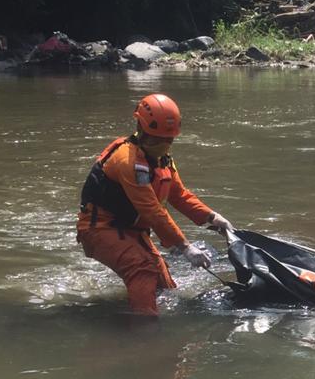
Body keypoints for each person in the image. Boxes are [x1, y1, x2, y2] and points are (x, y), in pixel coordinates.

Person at [77, 93, 235, 316]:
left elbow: (179, 195)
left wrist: (211, 217)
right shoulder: (128, 161)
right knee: (142, 269)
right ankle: (145, 330)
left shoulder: (163, 160)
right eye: (156, 140)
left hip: (130, 231)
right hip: (101, 229)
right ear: (141, 131)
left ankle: (147, 311)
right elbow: (150, 209)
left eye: (168, 140)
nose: (163, 145)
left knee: (164, 283)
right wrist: (185, 246)